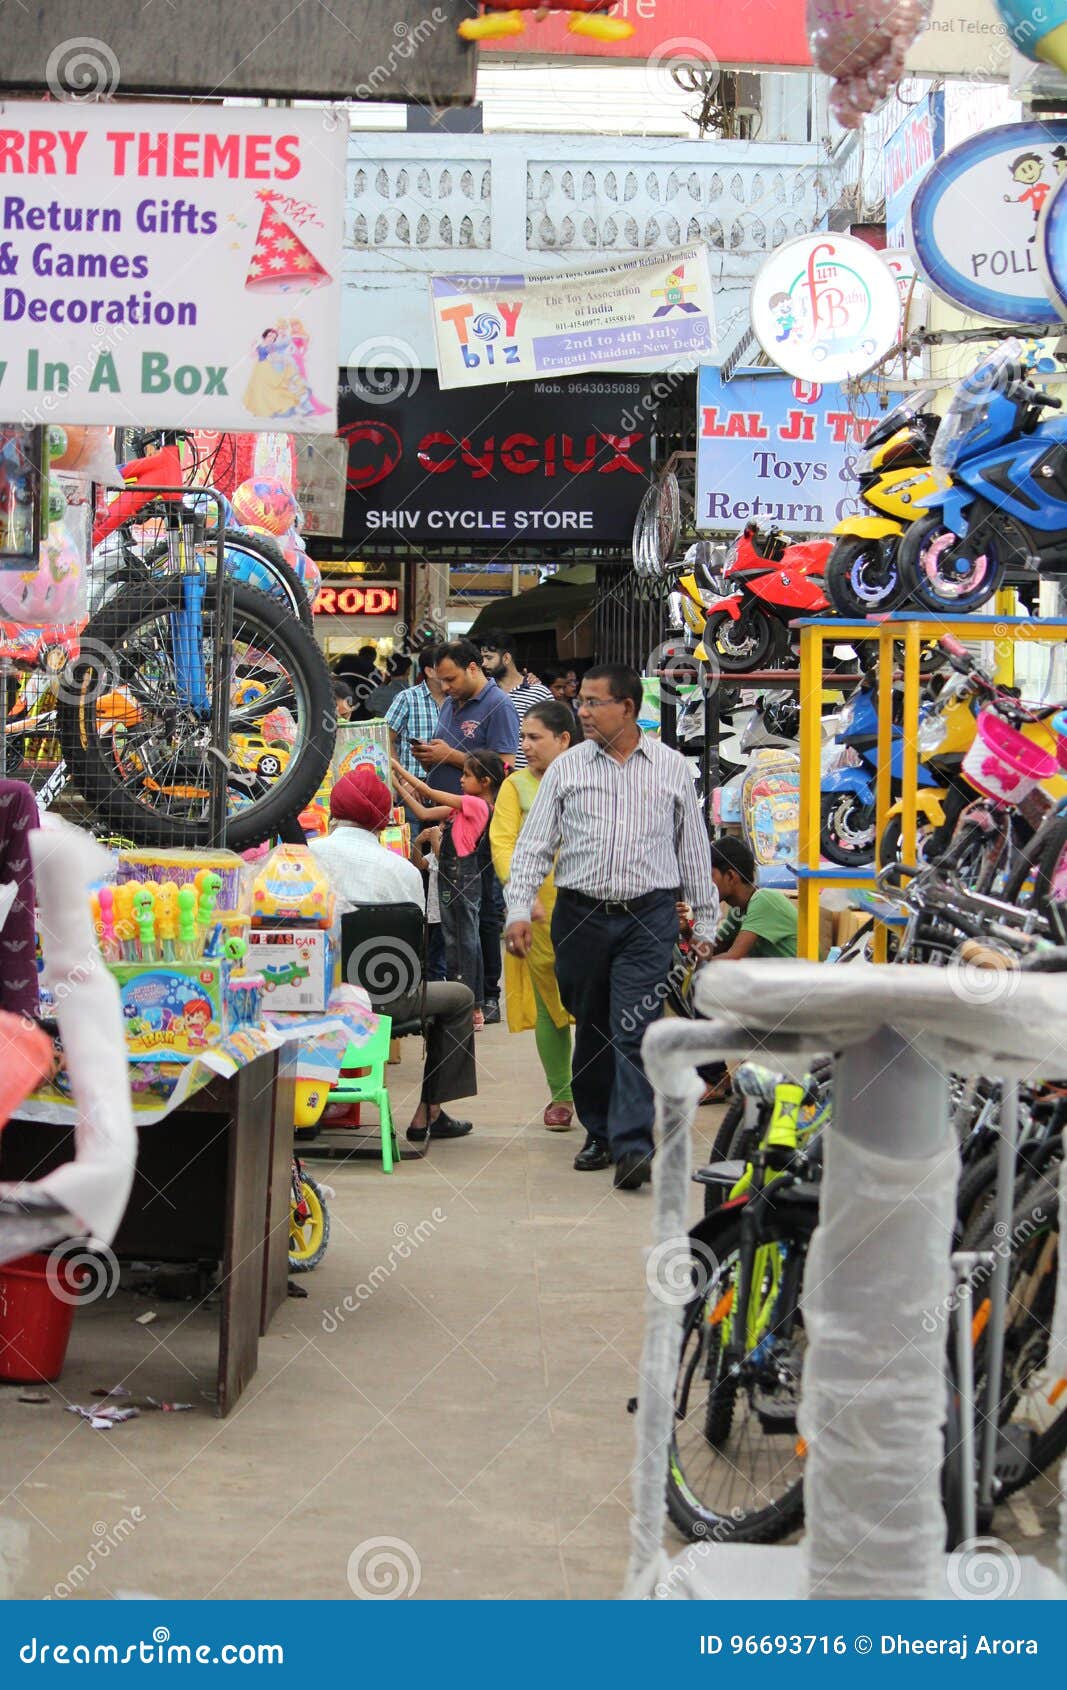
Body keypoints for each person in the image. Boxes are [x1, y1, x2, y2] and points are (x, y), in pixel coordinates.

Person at [505, 663, 717, 1192]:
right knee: (594, 1027)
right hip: (579, 918)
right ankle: (597, 1129)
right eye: (582, 701)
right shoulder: (568, 769)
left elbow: (693, 851)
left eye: (593, 702)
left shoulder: (672, 768)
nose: (582, 711)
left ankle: (629, 1146)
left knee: (633, 1031)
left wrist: (707, 921)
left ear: (627, 707)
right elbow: (533, 845)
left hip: (648, 918)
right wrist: (517, 909)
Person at [308, 766, 477, 1146]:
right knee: (461, 998)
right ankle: (429, 1112)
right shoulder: (403, 870)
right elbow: (413, 950)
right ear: (383, 818)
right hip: (387, 1000)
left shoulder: (305, 856)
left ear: (335, 809)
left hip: (314, 998)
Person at [490, 701, 582, 1130]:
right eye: (522, 737)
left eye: (534, 737)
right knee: (551, 1004)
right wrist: (522, 897)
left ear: (564, 739)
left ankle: (600, 1090)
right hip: (539, 914)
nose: (525, 745)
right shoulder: (515, 787)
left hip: (591, 904)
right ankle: (561, 1096)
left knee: (597, 1004)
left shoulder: (591, 777)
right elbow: (503, 844)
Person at [393, 750, 505, 1030]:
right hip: (449, 876)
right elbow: (423, 812)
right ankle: (463, 1004)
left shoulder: (477, 806)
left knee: (466, 942)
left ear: (486, 782)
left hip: (464, 879)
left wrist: (395, 765)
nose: (461, 780)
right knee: (453, 941)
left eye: (467, 775)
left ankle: (473, 1005)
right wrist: (395, 782)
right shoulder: (461, 807)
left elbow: (428, 791)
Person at [413, 639, 519, 794]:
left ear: (472, 669)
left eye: (450, 679)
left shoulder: (499, 705)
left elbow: (504, 769)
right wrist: (429, 757)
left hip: (472, 814)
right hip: (438, 811)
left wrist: (450, 756)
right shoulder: (449, 702)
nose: (444, 687)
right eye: (441, 681)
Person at [706, 835, 798, 960]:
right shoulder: (738, 911)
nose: (704, 884)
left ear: (730, 876)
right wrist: (686, 930)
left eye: (709, 876)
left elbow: (733, 958)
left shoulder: (764, 900)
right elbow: (712, 950)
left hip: (803, 977)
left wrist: (695, 969)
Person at [477, 634, 554, 769]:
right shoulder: (482, 693)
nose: (484, 663)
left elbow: (553, 736)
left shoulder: (539, 693)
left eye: (489, 657)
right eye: (482, 658)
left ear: (506, 658)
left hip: (529, 779)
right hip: (490, 779)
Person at [385, 645, 442, 784]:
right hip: (414, 783)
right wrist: (403, 779)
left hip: (449, 783)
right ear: (430, 671)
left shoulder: (458, 699)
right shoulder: (407, 698)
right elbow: (385, 738)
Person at [364, 653, 411, 720]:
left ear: (388, 670)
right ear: (408, 670)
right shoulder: (412, 693)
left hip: (382, 728)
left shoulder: (378, 691)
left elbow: (368, 706)